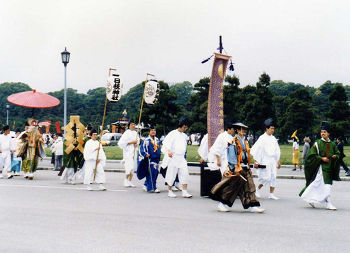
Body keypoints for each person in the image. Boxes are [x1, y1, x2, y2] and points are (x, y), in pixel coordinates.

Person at [210, 123, 264, 213]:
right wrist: (235, 167)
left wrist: (249, 165)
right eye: (243, 129)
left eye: (245, 129)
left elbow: (247, 154)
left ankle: (252, 206)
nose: (245, 131)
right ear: (238, 130)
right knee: (231, 187)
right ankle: (221, 204)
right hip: (237, 167)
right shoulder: (233, 141)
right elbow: (232, 155)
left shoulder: (245, 141)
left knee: (249, 186)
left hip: (245, 166)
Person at [299, 122, 340, 210]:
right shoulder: (317, 143)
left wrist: (335, 156)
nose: (323, 133)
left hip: (329, 168)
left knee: (321, 185)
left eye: (325, 132)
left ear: (328, 133)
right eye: (321, 132)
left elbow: (338, 153)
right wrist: (321, 158)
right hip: (321, 169)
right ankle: (327, 203)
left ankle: (311, 199)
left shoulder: (332, 144)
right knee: (324, 186)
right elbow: (311, 155)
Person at [250, 118, 281, 200]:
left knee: (273, 176)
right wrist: (256, 161)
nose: (273, 130)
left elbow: (277, 150)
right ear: (267, 128)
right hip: (265, 160)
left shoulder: (274, 139)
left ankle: (271, 194)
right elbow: (256, 149)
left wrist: (278, 161)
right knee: (266, 178)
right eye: (271, 128)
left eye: (273, 128)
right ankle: (257, 189)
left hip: (272, 161)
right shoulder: (262, 138)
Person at [162, 119, 192, 198]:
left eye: (186, 128)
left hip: (181, 158)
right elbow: (166, 143)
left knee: (184, 174)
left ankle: (184, 191)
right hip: (173, 157)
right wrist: (168, 151)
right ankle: (170, 191)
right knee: (171, 174)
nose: (185, 129)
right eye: (184, 127)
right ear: (181, 126)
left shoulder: (184, 135)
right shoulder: (172, 133)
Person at [137, 125, 161, 193]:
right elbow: (141, 149)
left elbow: (158, 149)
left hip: (156, 159)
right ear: (149, 132)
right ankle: (152, 187)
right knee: (152, 173)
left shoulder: (157, 140)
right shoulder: (146, 140)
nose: (153, 131)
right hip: (150, 159)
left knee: (155, 173)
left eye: (154, 130)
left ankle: (145, 185)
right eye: (152, 130)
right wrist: (145, 154)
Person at [118, 121, 138, 187]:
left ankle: (130, 181)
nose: (133, 126)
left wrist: (136, 144)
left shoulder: (136, 133)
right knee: (129, 167)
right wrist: (132, 142)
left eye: (134, 124)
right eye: (132, 124)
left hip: (134, 152)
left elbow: (137, 141)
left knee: (133, 168)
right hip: (128, 153)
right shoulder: (127, 133)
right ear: (129, 126)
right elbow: (121, 143)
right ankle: (126, 180)